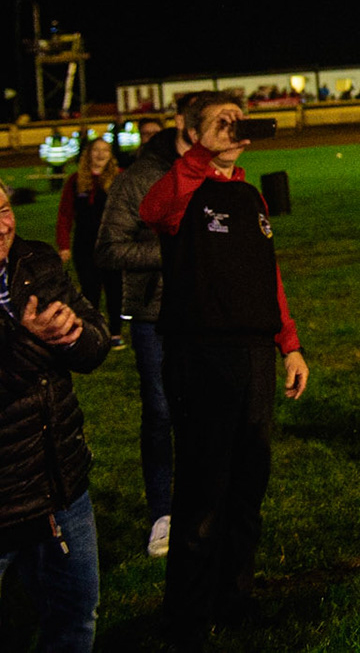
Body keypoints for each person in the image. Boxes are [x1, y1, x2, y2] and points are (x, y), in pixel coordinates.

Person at [139, 92, 309, 650]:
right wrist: (199, 156)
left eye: (237, 122)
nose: (234, 131)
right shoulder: (182, 190)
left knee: (247, 485)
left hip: (255, 354)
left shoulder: (249, 194)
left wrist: (289, 344)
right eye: (220, 123)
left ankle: (234, 601)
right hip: (202, 355)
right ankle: (186, 620)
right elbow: (151, 211)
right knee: (202, 491)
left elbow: (269, 274)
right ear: (191, 134)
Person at [98, 99, 221, 559]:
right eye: (215, 124)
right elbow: (108, 250)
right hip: (155, 315)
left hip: (211, 312)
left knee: (210, 409)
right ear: (184, 126)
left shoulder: (221, 172)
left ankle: (207, 506)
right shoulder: (138, 177)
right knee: (162, 412)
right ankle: (162, 514)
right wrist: (177, 252)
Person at [1, 179, 110, 653]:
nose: (1, 226)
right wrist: (32, 343)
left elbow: (97, 341)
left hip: (60, 485)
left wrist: (74, 336)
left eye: (3, 209)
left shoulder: (38, 260)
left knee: (74, 619)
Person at [57, 136, 125, 348]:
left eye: (105, 150)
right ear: (89, 153)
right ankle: (93, 333)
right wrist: (63, 245)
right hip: (85, 244)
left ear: (110, 154)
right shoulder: (76, 181)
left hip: (112, 243)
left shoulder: (119, 178)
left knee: (115, 288)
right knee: (89, 289)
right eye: (96, 150)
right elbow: (65, 215)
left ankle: (115, 331)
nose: (101, 154)